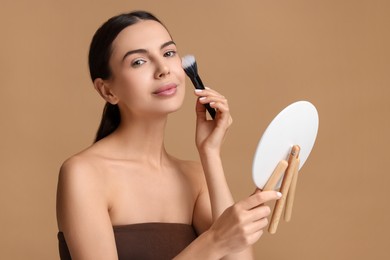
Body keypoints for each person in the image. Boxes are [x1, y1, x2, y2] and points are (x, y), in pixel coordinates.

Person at [56, 10, 281, 260]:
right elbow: (220, 243)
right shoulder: (84, 174)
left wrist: (210, 154)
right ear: (107, 91)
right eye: (139, 61)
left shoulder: (195, 178)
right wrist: (214, 240)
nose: (163, 68)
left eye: (169, 53)